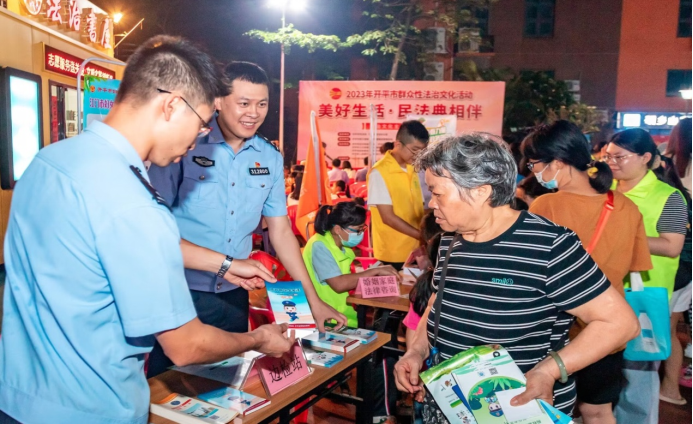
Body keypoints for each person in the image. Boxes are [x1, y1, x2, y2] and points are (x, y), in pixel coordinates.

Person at [0, 36, 295, 424]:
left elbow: (112, 243)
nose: (196, 142)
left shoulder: (50, 160)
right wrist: (259, 339)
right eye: (201, 124)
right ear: (171, 105)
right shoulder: (135, 202)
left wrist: (224, 264)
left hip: (16, 396)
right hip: (90, 408)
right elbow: (187, 346)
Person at [394, 134, 639, 420]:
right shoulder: (451, 239)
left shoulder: (549, 245)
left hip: (518, 407)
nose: (431, 204)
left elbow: (620, 323)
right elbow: (440, 299)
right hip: (453, 404)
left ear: (480, 191)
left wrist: (549, 370)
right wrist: (417, 350)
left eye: (437, 193)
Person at [147, 61, 346, 377]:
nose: (253, 112)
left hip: (234, 294)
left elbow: (281, 232)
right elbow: (153, 228)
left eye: (262, 103)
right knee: (169, 386)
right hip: (178, 291)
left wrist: (313, 300)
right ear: (218, 100)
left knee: (226, 387)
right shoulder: (184, 145)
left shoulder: (268, 156)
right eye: (244, 103)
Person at [521, 121, 652, 424]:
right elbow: (635, 266)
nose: (532, 170)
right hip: (607, 334)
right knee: (598, 412)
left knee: (545, 409)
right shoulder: (625, 205)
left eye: (534, 163)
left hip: (556, 333)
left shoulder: (546, 205)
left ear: (557, 162)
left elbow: (530, 270)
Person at [605, 129, 688, 423]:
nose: (612, 162)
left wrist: (623, 234)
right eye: (608, 156)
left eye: (620, 157)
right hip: (605, 293)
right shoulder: (604, 190)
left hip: (644, 298)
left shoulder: (669, 197)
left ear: (645, 158)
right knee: (604, 374)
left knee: (637, 375)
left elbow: (671, 245)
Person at [301, 202, 400, 421]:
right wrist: (374, 272)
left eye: (364, 229)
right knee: (383, 353)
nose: (361, 234)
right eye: (358, 230)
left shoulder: (340, 245)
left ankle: (378, 405)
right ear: (338, 228)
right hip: (327, 322)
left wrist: (372, 272)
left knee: (385, 345)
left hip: (344, 316)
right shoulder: (319, 245)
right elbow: (338, 284)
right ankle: (379, 414)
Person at [368, 121, 429, 271]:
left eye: (422, 151)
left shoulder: (412, 169)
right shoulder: (379, 172)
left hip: (416, 249)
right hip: (393, 252)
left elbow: (419, 207)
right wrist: (422, 236)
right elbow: (388, 217)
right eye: (414, 150)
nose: (418, 155)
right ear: (398, 144)